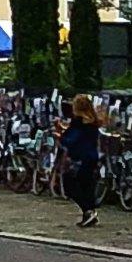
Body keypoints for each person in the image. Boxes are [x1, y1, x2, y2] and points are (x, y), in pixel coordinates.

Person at [56, 95, 104, 228]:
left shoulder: (78, 122)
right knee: (86, 186)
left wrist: (61, 137)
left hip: (80, 158)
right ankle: (89, 213)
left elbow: (71, 140)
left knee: (70, 185)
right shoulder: (93, 122)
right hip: (92, 157)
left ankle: (88, 211)